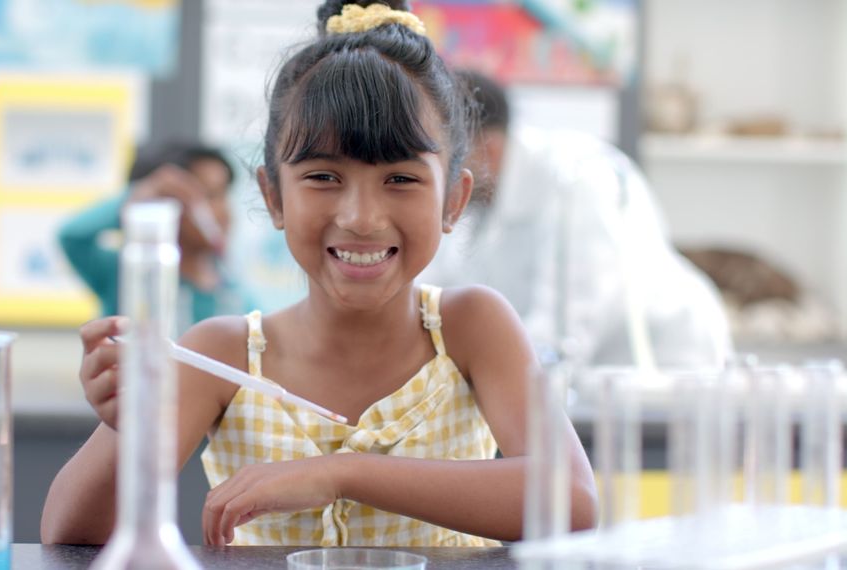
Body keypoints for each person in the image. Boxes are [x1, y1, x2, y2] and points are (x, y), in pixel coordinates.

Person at [41, 0, 596, 548]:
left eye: (400, 179)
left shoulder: (471, 326)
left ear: (453, 201)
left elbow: (569, 500)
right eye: (324, 175)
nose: (360, 217)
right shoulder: (222, 354)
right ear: (272, 196)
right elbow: (70, 536)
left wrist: (340, 472)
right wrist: (125, 423)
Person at [420, 69, 733, 369]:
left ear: (489, 148)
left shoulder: (577, 180)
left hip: (668, 364)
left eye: (446, 159)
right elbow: (437, 290)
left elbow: (565, 332)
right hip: (599, 381)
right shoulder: (478, 204)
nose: (438, 176)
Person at [58, 141, 251, 334]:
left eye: (225, 194)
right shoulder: (126, 273)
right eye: (209, 196)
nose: (224, 212)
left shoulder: (232, 288)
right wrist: (137, 197)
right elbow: (72, 237)